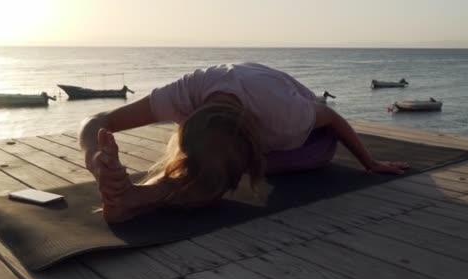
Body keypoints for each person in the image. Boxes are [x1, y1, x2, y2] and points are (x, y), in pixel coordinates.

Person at [79, 63, 409, 223]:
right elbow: (97, 122)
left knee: (209, 179)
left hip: (312, 144)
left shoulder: (285, 115)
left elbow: (333, 120)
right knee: (202, 168)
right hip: (251, 135)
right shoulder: (186, 92)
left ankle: (141, 196)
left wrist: (371, 163)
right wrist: (96, 161)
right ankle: (131, 196)